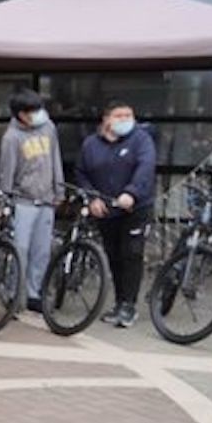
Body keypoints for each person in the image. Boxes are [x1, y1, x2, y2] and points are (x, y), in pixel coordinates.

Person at [75, 101, 156, 328]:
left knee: (131, 253)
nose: (125, 119)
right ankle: (119, 302)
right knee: (114, 255)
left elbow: (145, 167)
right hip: (106, 210)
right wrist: (92, 198)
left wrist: (131, 193)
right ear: (106, 119)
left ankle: (129, 305)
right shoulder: (91, 144)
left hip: (134, 209)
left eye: (128, 115)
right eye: (119, 115)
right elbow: (81, 173)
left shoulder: (141, 140)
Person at [0, 88, 64, 313]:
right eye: (32, 111)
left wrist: (59, 190)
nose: (38, 114)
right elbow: (7, 171)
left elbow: (56, 160)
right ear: (20, 114)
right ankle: (13, 291)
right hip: (22, 200)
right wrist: (5, 200)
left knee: (41, 250)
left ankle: (35, 293)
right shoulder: (11, 137)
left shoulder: (49, 128)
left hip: (46, 200)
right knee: (20, 249)